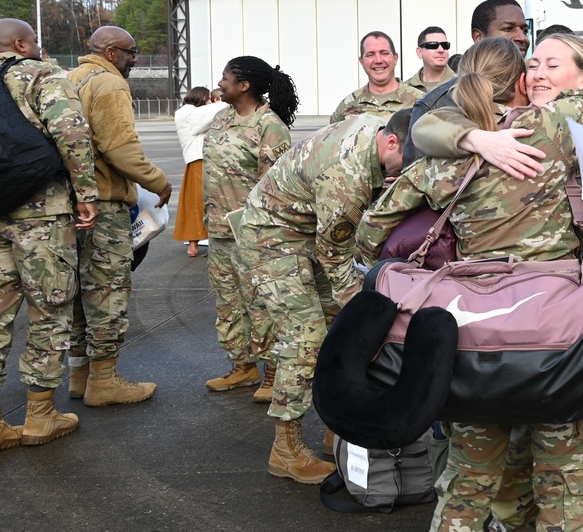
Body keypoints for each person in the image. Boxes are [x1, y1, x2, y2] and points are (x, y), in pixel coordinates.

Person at [394, 34, 583, 531]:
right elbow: (433, 120)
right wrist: (477, 138)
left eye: (552, 65)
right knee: (533, 482)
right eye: (532, 63)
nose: (536, 73)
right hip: (541, 340)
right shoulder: (504, 138)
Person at [235, 109, 410, 485]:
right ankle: (286, 448)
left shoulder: (378, 127)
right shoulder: (348, 175)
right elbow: (335, 257)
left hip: (305, 230)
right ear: (391, 141)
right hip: (272, 237)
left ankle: (337, 426)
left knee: (338, 327)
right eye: (405, 163)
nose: (402, 173)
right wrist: (364, 311)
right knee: (307, 338)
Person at [0, 18, 99, 457]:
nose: (39, 46)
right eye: (35, 40)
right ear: (21, 44)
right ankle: (40, 415)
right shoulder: (40, 74)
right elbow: (72, 133)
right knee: (50, 308)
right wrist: (86, 194)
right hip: (40, 214)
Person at [67, 26, 172, 407]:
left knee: (77, 293)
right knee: (107, 291)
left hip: (71, 204)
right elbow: (120, 149)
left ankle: (80, 374)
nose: (135, 58)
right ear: (111, 52)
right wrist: (158, 181)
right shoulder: (109, 84)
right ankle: (105, 381)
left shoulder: (72, 78)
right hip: (103, 204)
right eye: (131, 51)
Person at [202, 57, 297, 396]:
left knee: (261, 305)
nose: (221, 82)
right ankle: (241, 366)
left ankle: (272, 373)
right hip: (218, 231)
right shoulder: (221, 117)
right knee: (227, 303)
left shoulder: (269, 126)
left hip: (253, 235)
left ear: (244, 86)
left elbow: (275, 187)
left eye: (226, 78)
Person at [401, 0, 531, 166]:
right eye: (508, 28)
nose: (522, 37)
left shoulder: (538, 86)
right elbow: (416, 175)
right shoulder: (436, 103)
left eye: (525, 30)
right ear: (478, 37)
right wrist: (475, 139)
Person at [173, 87, 227, 257]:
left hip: (197, 161)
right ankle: (197, 244)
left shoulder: (186, 112)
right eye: (208, 99)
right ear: (202, 98)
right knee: (201, 203)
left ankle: (194, 244)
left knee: (194, 204)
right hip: (200, 161)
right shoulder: (189, 113)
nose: (210, 102)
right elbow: (211, 114)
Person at [329, 31, 421, 122]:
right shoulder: (346, 106)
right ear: (362, 62)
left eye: (384, 53)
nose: (378, 60)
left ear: (395, 58)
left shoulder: (421, 102)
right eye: (370, 55)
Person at [404, 26, 456, 92]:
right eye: (433, 45)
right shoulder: (405, 89)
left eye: (445, 45)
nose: (441, 50)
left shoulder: (463, 86)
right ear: (419, 52)